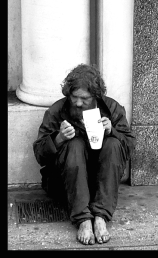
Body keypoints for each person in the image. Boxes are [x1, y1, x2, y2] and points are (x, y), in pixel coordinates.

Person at [33, 64, 135, 245]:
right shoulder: (57, 111)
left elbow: (130, 146)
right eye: (74, 97)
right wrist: (58, 139)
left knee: (113, 144)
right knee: (74, 144)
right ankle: (83, 220)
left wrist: (112, 131)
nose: (78, 103)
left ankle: (101, 217)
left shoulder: (112, 108)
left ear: (96, 96)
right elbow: (40, 154)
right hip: (66, 184)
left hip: (100, 184)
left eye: (85, 98)